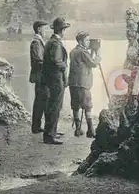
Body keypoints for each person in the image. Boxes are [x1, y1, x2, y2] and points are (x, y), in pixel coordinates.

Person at [41, 17, 71, 145]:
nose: (65, 32)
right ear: (61, 30)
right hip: (55, 78)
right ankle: (49, 136)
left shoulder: (51, 41)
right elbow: (57, 61)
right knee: (55, 106)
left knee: (52, 105)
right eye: (64, 29)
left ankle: (51, 131)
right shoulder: (55, 43)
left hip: (51, 77)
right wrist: (65, 66)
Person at [68, 31, 102, 138]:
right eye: (87, 40)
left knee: (75, 105)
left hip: (73, 83)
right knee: (87, 106)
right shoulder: (83, 52)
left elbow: (85, 63)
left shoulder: (73, 51)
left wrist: (91, 52)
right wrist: (98, 55)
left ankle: (78, 129)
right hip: (83, 83)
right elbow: (92, 63)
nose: (89, 42)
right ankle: (90, 130)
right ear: (81, 41)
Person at [29, 20, 49, 134]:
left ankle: (37, 126)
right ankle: (36, 127)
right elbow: (37, 60)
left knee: (41, 101)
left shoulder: (39, 41)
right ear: (39, 29)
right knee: (40, 101)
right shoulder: (36, 42)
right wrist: (49, 64)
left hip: (40, 76)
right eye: (44, 29)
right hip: (40, 76)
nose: (45, 31)